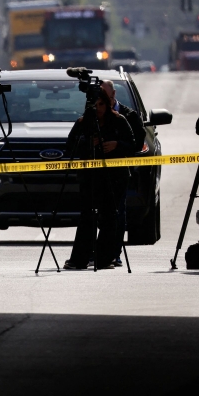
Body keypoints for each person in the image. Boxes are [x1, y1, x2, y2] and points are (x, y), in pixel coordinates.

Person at [64, 89, 136, 270]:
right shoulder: (82, 123)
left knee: (110, 216)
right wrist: (87, 143)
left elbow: (133, 145)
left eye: (101, 104)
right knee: (87, 216)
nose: (98, 109)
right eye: (95, 105)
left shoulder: (119, 121)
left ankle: (105, 258)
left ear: (108, 103)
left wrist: (116, 145)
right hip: (90, 176)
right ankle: (79, 259)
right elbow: (69, 147)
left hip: (115, 177)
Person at [100, 80, 145, 267]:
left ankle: (114, 252)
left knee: (118, 212)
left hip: (120, 171)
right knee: (102, 213)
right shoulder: (95, 115)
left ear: (114, 95)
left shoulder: (128, 116)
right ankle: (99, 250)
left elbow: (137, 144)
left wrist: (118, 145)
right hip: (99, 172)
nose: (104, 102)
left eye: (107, 98)